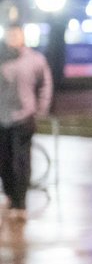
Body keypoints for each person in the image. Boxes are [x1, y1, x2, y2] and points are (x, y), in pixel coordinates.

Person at [0, 23, 53, 220]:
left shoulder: (35, 60)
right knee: (4, 161)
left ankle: (20, 203)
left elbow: (45, 84)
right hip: (2, 118)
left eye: (16, 34)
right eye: (9, 34)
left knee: (21, 161)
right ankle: (9, 194)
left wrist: (41, 107)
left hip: (24, 119)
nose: (12, 38)